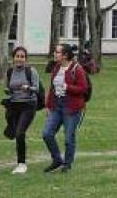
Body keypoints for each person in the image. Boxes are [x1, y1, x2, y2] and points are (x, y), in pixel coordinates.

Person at [42, 44, 90, 173]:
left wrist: (67, 87)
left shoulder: (77, 69)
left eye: (57, 52)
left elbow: (83, 88)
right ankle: (57, 159)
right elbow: (52, 88)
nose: (54, 54)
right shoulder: (56, 67)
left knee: (69, 139)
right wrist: (48, 106)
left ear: (65, 55)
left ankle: (67, 165)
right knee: (47, 134)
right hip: (56, 105)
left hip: (72, 107)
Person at [3, 47, 41, 174]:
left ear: (25, 59)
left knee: (20, 133)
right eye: (17, 56)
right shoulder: (9, 72)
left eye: (22, 56)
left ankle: (21, 163)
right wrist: (8, 91)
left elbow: (37, 89)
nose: (19, 58)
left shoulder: (31, 71)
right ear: (13, 57)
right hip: (14, 105)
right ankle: (12, 130)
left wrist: (28, 88)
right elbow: (7, 87)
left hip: (29, 104)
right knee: (14, 132)